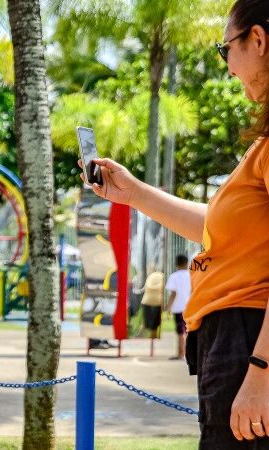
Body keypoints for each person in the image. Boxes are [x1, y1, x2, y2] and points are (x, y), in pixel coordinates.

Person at [81, 4, 269, 445]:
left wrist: (261, 370)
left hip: (250, 339)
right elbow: (218, 230)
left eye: (226, 50)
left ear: (258, 40)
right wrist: (134, 193)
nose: (228, 69)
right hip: (236, 338)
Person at [166, 254, 191, 360]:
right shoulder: (191, 275)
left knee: (180, 332)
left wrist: (168, 307)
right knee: (189, 330)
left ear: (176, 263)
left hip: (179, 308)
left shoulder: (174, 276)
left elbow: (173, 293)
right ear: (187, 262)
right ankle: (189, 353)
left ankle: (181, 353)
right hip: (190, 307)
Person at [134, 270, 165, 339]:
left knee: (146, 321)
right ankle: (153, 336)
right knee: (156, 322)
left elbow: (145, 287)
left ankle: (140, 335)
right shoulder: (163, 276)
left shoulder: (150, 276)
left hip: (147, 300)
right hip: (158, 300)